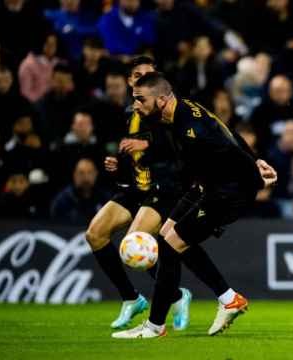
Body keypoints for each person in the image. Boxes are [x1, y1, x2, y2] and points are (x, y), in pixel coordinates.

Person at [111, 72, 277, 339]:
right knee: (168, 234)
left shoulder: (192, 128)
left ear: (162, 99)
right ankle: (228, 298)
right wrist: (256, 158)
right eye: (134, 99)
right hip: (208, 186)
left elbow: (228, 151)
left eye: (141, 100)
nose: (136, 105)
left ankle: (154, 326)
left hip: (228, 192)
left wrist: (256, 175)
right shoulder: (181, 110)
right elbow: (226, 129)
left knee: (170, 245)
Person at [84, 56, 190, 330]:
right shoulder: (127, 113)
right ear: (130, 82)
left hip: (161, 189)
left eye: (147, 74)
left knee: (135, 243)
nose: (141, 78)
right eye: (136, 75)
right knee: (95, 234)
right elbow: (129, 155)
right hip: (133, 189)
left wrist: (145, 143)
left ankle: (176, 295)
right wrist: (117, 164)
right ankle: (132, 298)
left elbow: (174, 145)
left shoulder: (166, 112)